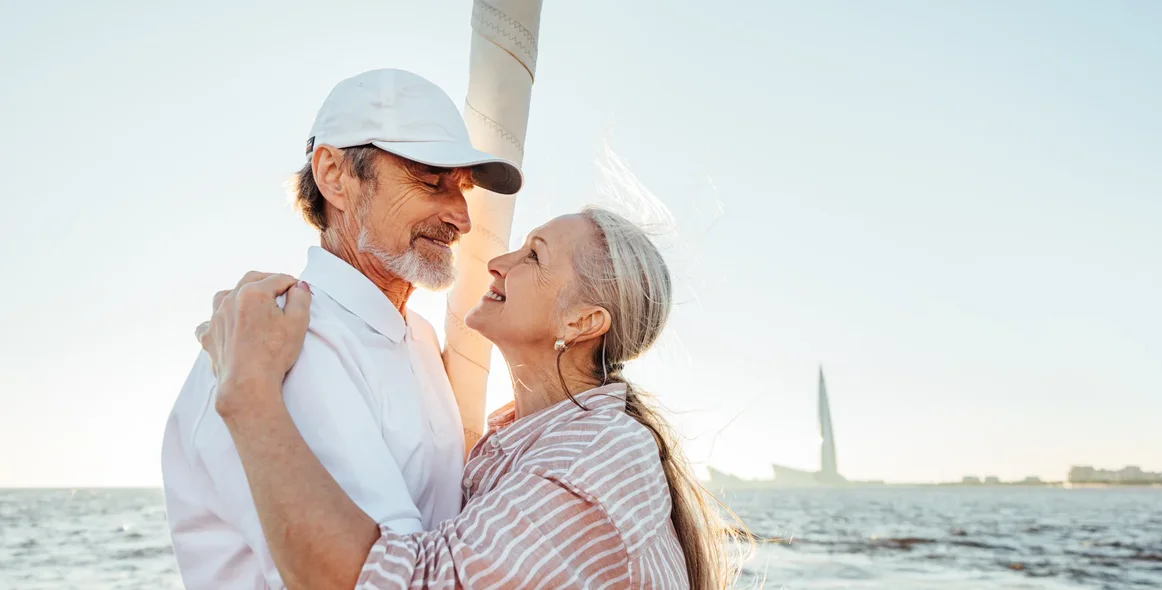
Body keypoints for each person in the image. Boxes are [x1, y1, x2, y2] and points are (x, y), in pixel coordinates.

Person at [195, 208, 736, 589]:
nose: (499, 260)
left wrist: (250, 392)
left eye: (535, 256)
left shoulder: (598, 460)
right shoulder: (513, 441)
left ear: (583, 321)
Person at [162, 68, 524, 590]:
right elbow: (384, 574)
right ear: (334, 175)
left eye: (462, 189)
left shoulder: (418, 338)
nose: (461, 217)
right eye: (429, 179)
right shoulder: (289, 342)